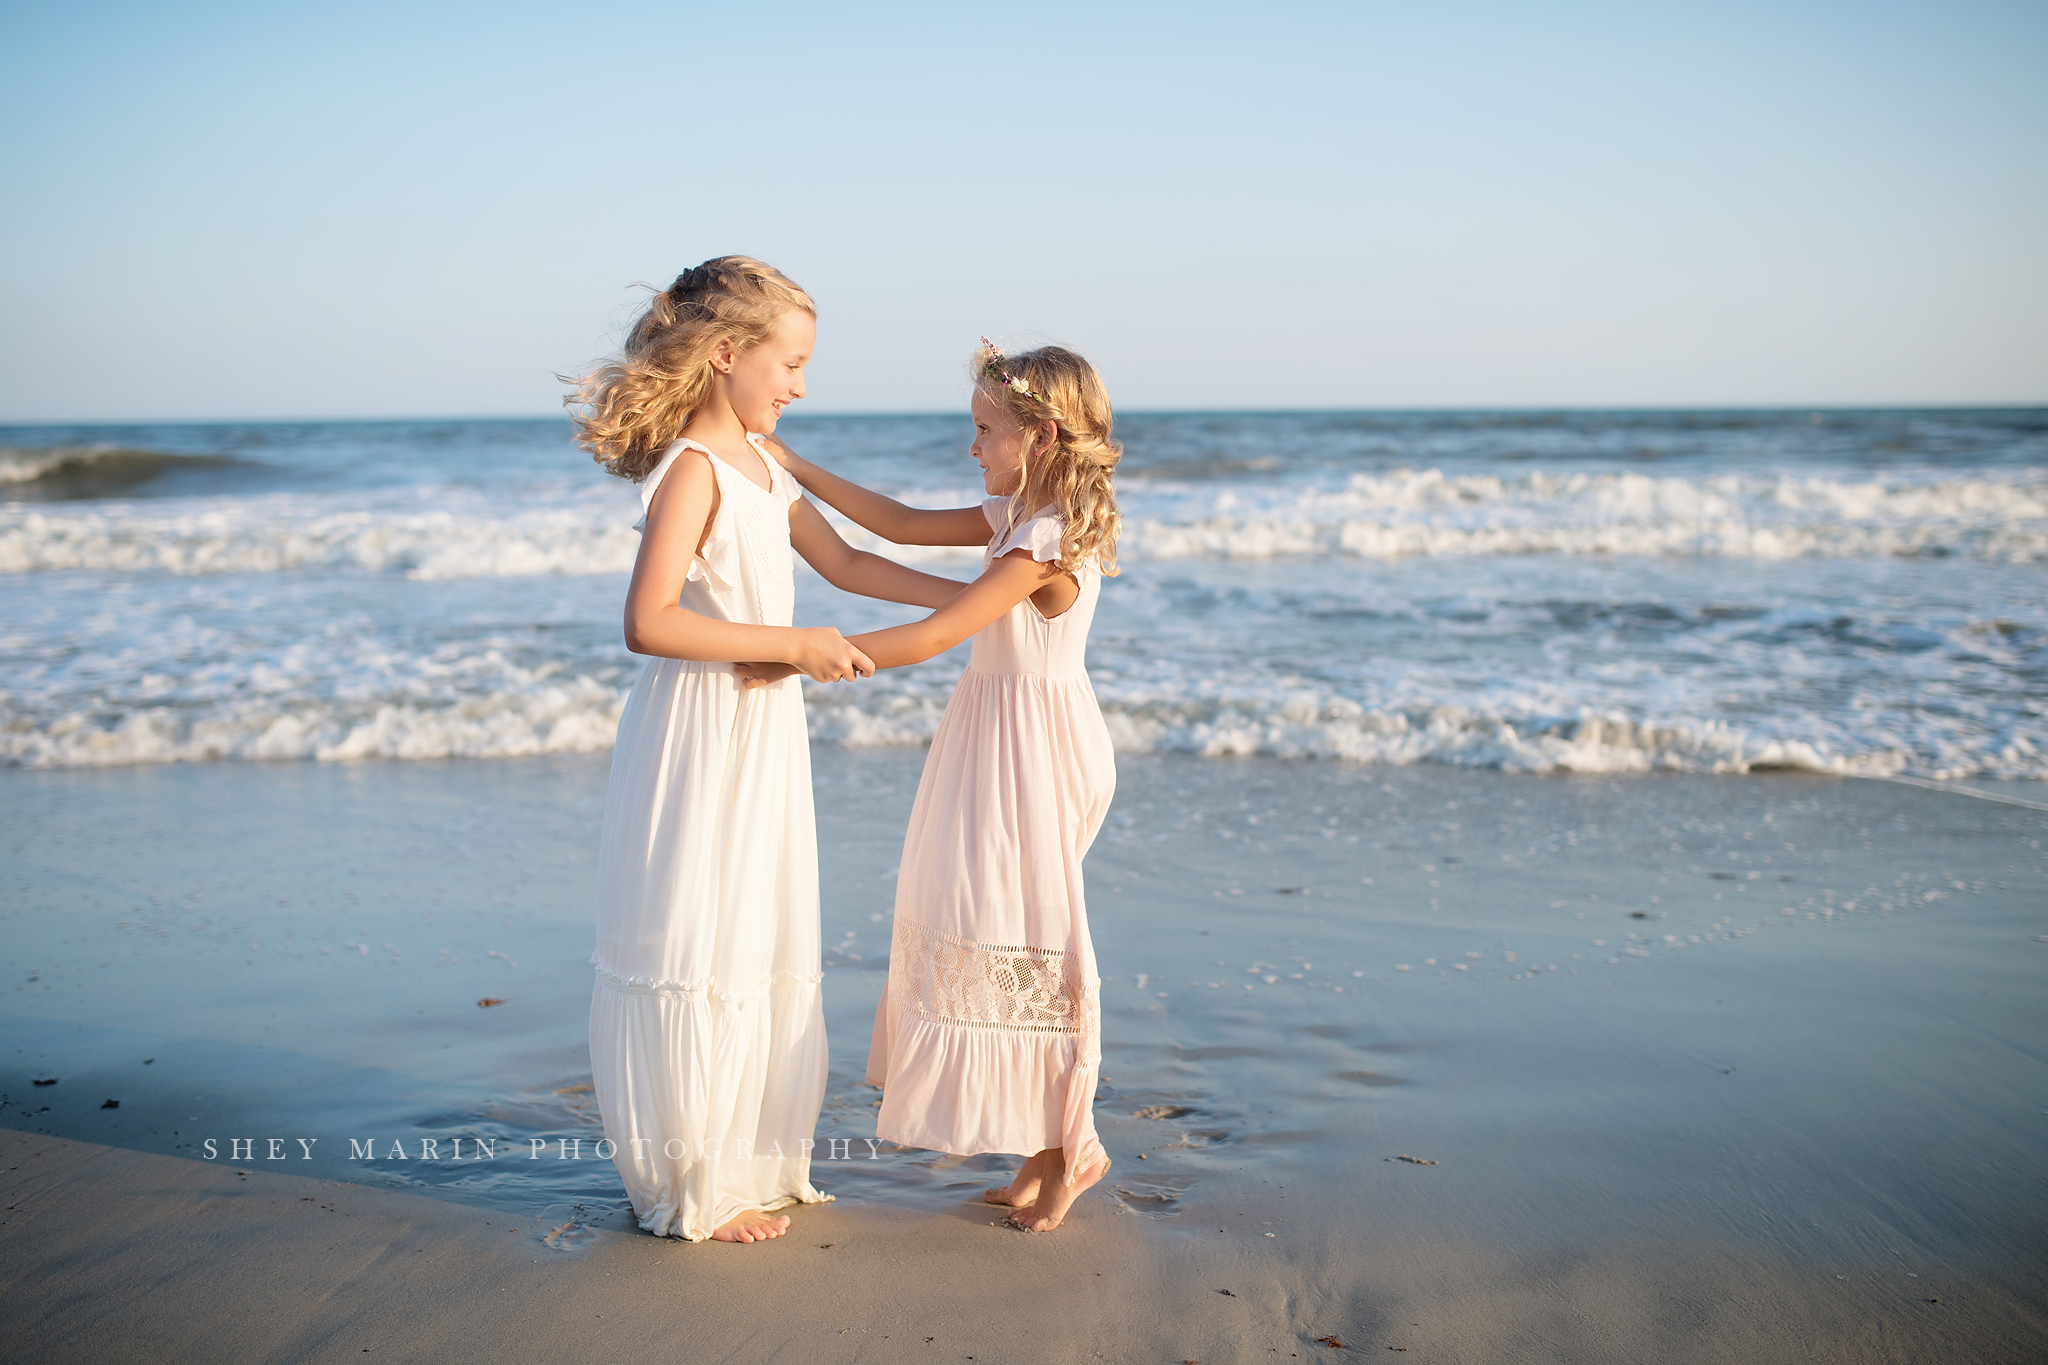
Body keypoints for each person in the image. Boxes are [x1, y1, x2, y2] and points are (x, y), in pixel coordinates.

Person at [566, 256, 962, 1243]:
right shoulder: (694, 471)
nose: (798, 384)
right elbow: (649, 622)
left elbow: (851, 561)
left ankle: (744, 1155)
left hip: (761, 729)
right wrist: (790, 644)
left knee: (756, 924)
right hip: (701, 729)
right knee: (702, 929)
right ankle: (693, 1174)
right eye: (788, 362)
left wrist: (977, 606)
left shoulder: (764, 464)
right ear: (725, 354)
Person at [760, 338, 1120, 1231]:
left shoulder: (1045, 542)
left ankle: (1073, 1143)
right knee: (987, 921)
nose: (974, 448)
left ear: (1037, 435)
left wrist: (802, 658)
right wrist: (787, 465)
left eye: (985, 430)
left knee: (1038, 935)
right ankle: (1041, 1144)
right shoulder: (1011, 513)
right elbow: (896, 522)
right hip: (991, 733)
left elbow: (936, 633)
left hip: (1033, 747)